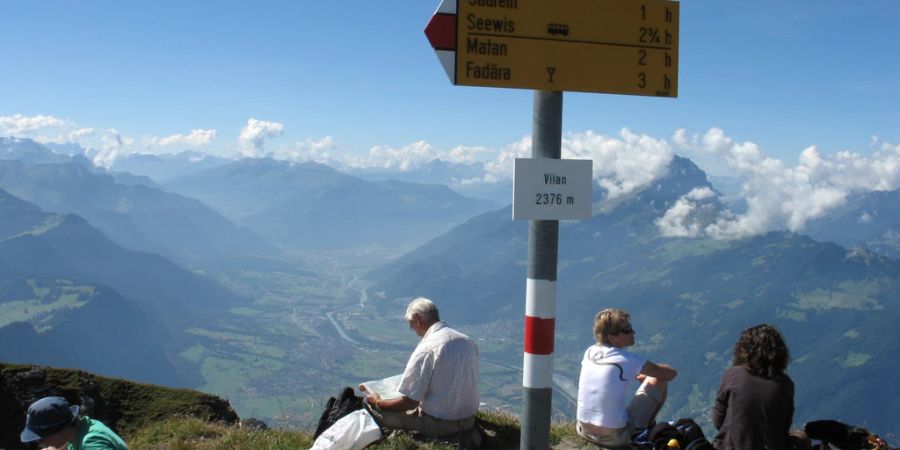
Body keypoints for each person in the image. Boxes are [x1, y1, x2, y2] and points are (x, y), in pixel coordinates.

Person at [363, 297, 479, 437]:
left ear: (418, 319)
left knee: (368, 404)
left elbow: (409, 403)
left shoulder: (427, 348)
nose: (412, 328)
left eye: (411, 323)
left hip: (440, 424)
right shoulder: (467, 341)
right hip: (468, 420)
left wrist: (377, 402)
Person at [576, 308, 678, 447]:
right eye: (627, 329)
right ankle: (645, 430)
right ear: (612, 337)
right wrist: (650, 373)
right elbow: (670, 374)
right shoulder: (627, 360)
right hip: (617, 438)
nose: (633, 332)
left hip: (582, 429)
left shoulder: (590, 351)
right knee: (659, 379)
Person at [712, 324, 795, 450]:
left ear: (744, 350)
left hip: (730, 447)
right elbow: (784, 425)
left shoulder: (732, 375)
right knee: (801, 437)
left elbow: (718, 420)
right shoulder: (785, 384)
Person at [20, 396, 129, 450]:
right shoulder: (84, 428)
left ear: (58, 430)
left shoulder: (91, 444)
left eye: (41, 437)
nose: (41, 443)